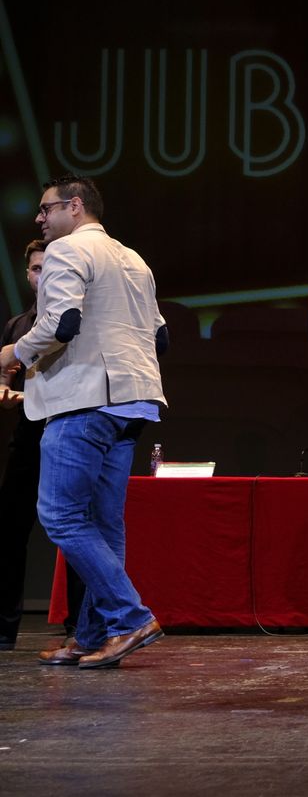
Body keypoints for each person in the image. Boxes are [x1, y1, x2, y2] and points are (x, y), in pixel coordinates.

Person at [0, 176, 168, 670]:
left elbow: (61, 324)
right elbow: (160, 337)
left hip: (86, 400)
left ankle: (130, 617)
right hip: (134, 402)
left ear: (74, 207)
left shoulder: (67, 249)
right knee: (102, 523)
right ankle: (94, 635)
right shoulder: (133, 258)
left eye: (46, 208)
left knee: (60, 515)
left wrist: (13, 353)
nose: (39, 218)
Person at [0, 240, 84, 649]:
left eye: (48, 267)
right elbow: (4, 381)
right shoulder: (17, 327)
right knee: (10, 531)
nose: (42, 275)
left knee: (75, 530)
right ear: (28, 275)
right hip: (29, 437)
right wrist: (7, 393)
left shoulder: (81, 321)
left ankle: (79, 628)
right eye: (35, 268)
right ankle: (4, 630)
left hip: (71, 436)